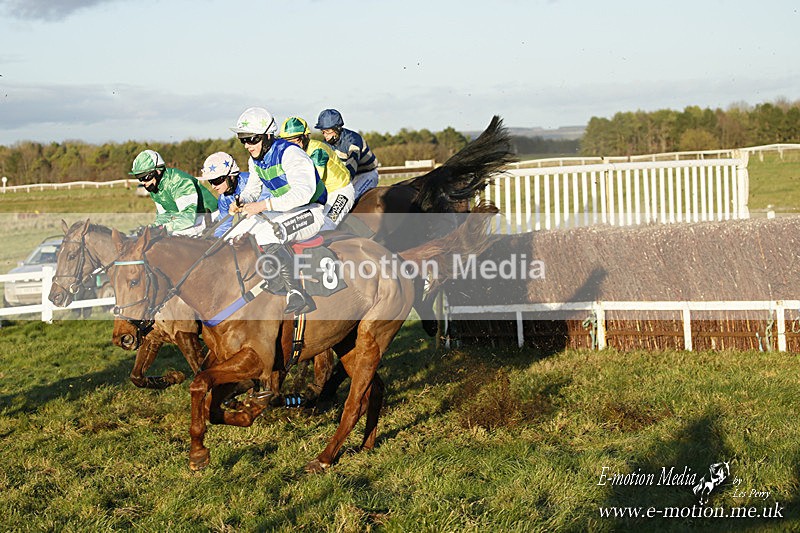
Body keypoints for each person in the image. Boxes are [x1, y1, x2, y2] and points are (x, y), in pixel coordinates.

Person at [229, 106, 328, 315]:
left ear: (266, 136)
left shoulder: (291, 154)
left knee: (267, 234)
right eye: (243, 140)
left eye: (252, 139)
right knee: (236, 232)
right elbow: (253, 190)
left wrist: (264, 206)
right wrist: (240, 201)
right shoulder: (255, 159)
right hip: (287, 210)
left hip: (312, 210)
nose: (247, 145)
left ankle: (295, 292)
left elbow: (303, 194)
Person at [278, 116, 355, 229]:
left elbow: (312, 182)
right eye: (288, 142)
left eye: (297, 140)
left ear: (305, 136)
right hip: (322, 194)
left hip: (340, 191)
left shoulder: (318, 151)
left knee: (325, 225)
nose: (293, 146)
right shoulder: (292, 154)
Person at [129, 149, 218, 236]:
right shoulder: (155, 188)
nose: (143, 182)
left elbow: (188, 218)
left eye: (146, 177)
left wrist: (161, 228)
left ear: (158, 171)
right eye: (140, 178)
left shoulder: (179, 181)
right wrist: (152, 227)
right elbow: (164, 216)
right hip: (188, 220)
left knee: (169, 236)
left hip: (208, 217)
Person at [197, 151, 271, 238]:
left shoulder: (251, 182)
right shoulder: (223, 199)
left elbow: (267, 212)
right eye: (210, 182)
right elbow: (224, 226)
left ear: (231, 176)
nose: (213, 186)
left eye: (216, 181)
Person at [315, 109, 379, 199]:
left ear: (337, 128)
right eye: (323, 132)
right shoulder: (326, 144)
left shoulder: (353, 141)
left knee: (350, 198)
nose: (325, 135)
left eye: (328, 131)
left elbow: (351, 168)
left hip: (366, 174)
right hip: (349, 176)